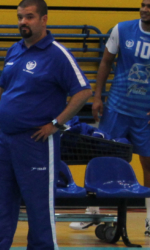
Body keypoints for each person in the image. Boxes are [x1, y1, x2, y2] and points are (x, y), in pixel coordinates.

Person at [0, 0, 92, 249]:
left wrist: (56, 124)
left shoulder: (57, 54)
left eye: (29, 17)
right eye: (20, 17)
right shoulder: (15, 50)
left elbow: (83, 92)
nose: (23, 22)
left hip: (36, 142)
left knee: (39, 207)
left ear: (44, 19)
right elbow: (1, 89)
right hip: (4, 141)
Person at [70, 0, 150, 232]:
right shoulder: (122, 29)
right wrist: (97, 97)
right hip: (116, 107)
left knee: (148, 164)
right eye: (143, 4)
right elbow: (105, 63)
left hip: (144, 113)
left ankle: (149, 219)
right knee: (101, 156)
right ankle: (93, 213)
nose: (145, 9)